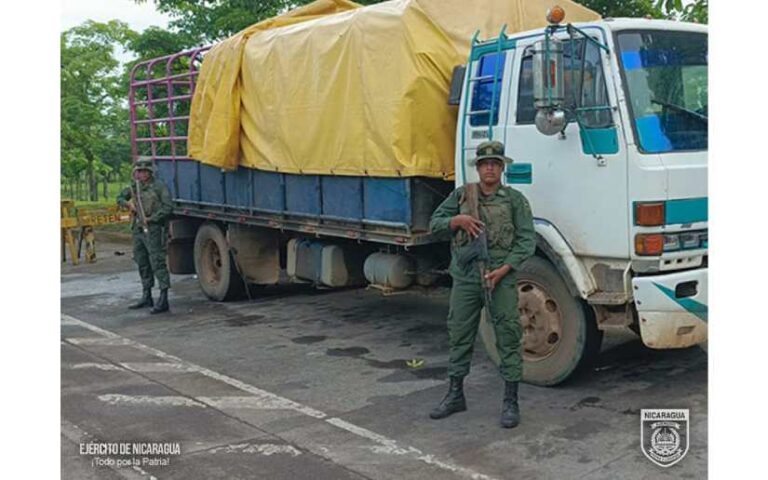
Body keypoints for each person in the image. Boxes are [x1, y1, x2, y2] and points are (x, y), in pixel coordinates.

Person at [428, 140, 536, 428]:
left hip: (500, 277)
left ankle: (511, 401)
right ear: (477, 168)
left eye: (495, 164)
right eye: (485, 164)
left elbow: (527, 240)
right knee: (459, 332)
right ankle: (455, 394)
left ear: (502, 168)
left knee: (508, 335)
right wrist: (457, 220)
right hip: (466, 277)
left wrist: (504, 269)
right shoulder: (463, 195)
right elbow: (434, 223)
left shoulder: (515, 200)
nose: (489, 168)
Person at [117, 157, 173, 314]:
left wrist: (152, 218)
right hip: (138, 229)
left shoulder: (159, 187)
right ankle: (146, 295)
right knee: (142, 261)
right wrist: (128, 204)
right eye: (139, 171)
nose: (141, 174)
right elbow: (119, 198)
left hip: (154, 229)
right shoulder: (134, 187)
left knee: (157, 262)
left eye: (144, 171)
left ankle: (163, 298)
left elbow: (168, 207)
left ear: (150, 172)